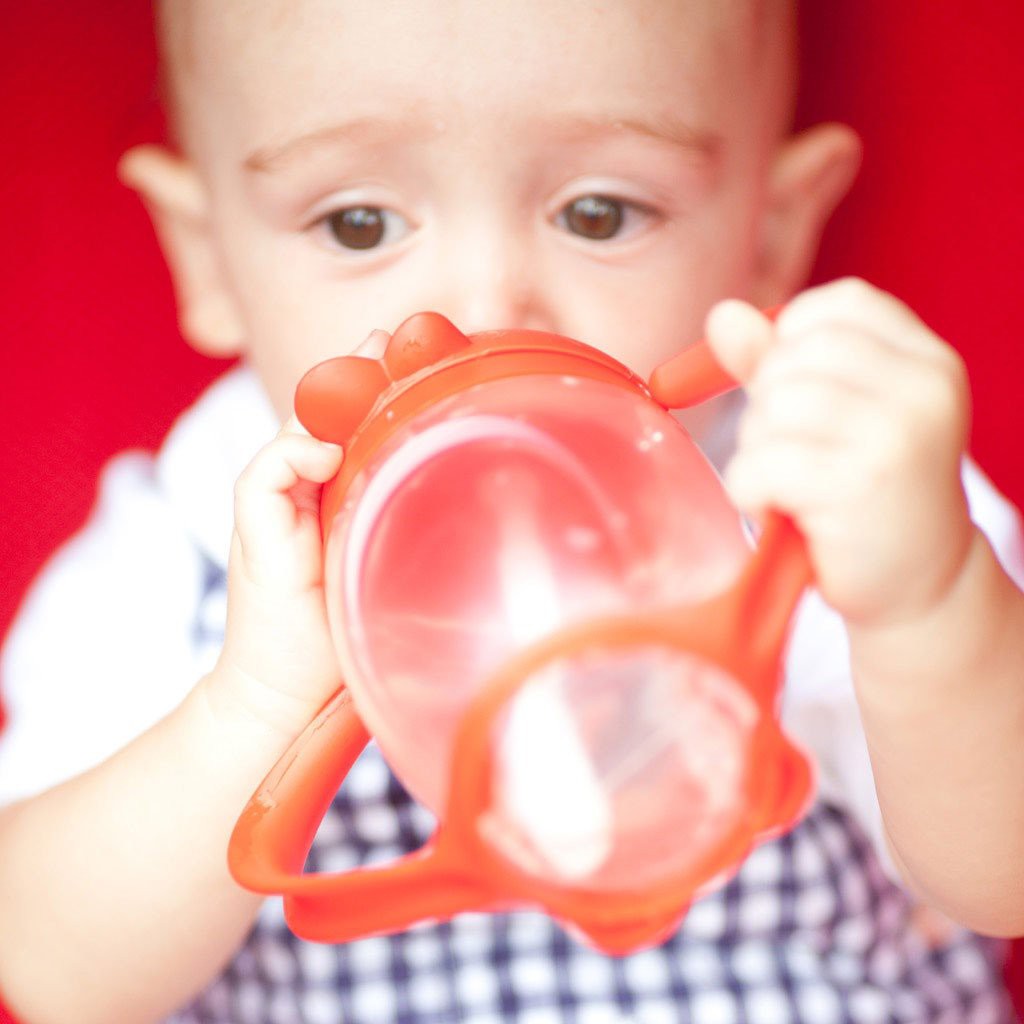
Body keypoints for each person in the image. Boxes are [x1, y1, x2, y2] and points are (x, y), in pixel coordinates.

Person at [0, 2, 1021, 1022]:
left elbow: (1005, 875)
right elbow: (47, 970)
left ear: (767, 232)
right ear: (208, 254)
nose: (483, 303)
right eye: (359, 223)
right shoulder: (176, 554)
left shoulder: (823, 493)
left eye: (599, 214)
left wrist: (927, 605)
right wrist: (252, 706)